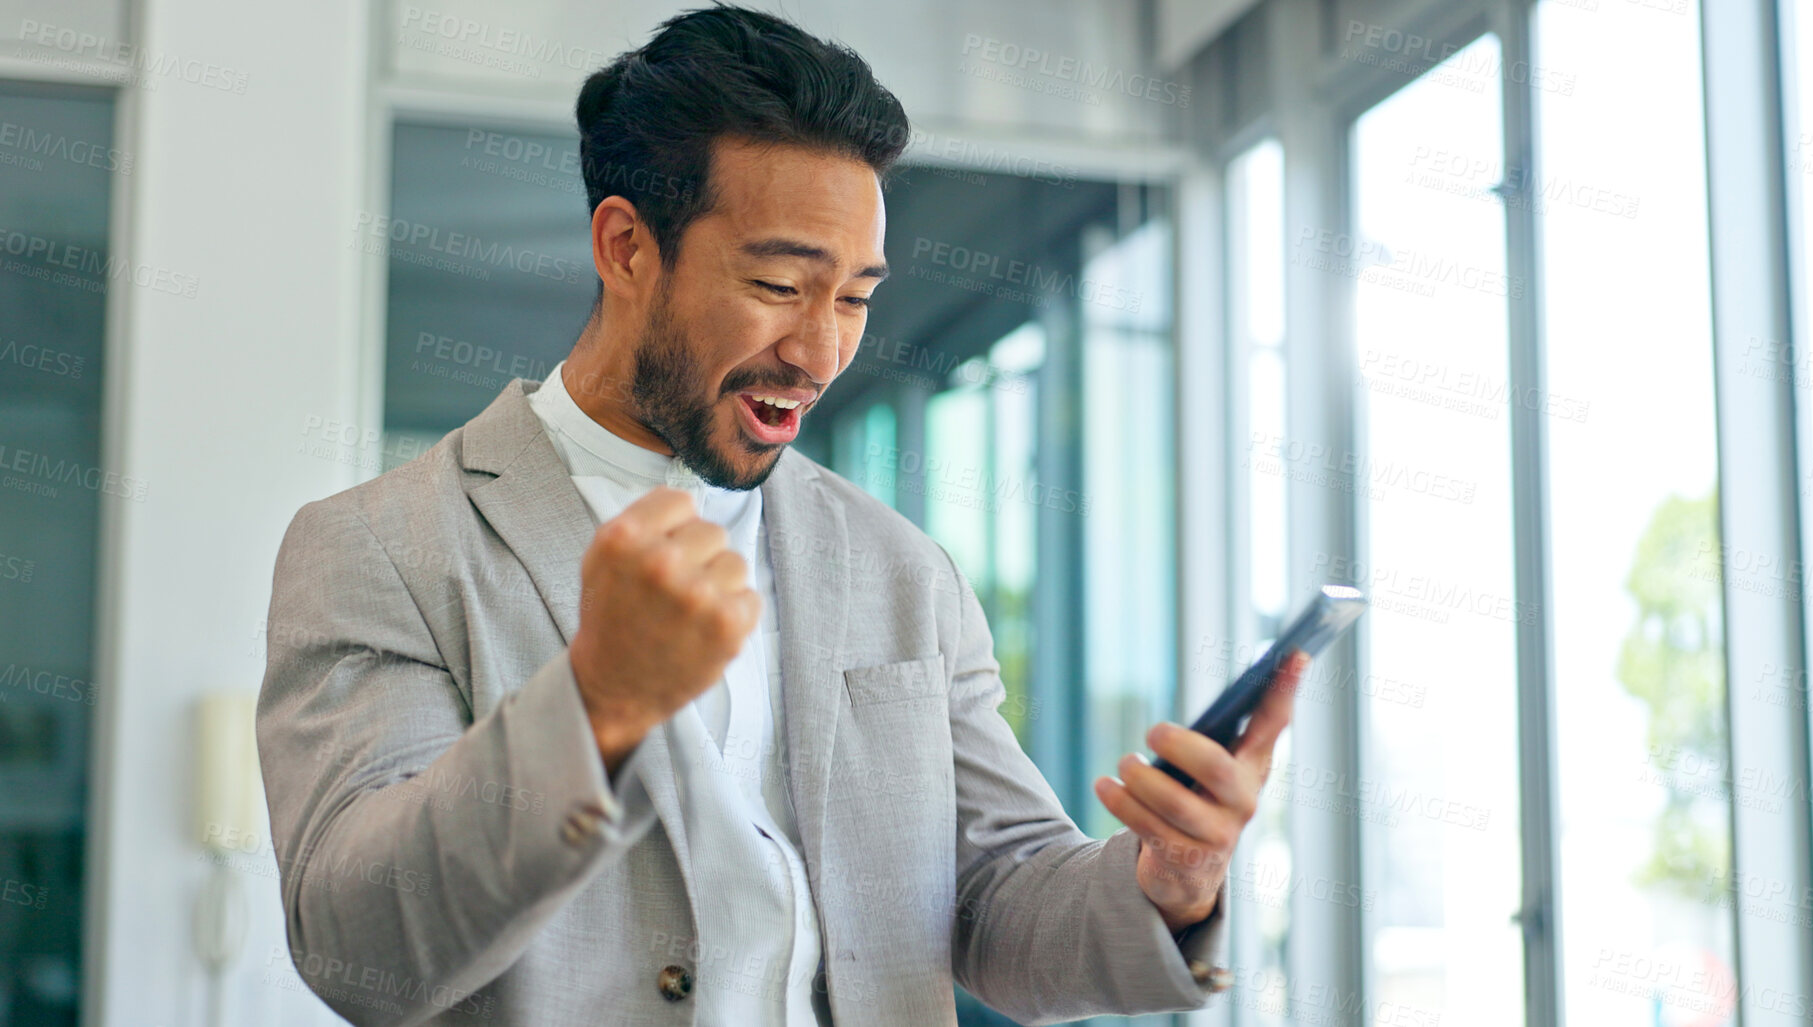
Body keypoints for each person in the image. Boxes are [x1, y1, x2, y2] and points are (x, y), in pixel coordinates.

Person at [256, 7, 1305, 1024]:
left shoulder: (901, 568)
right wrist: (595, 706)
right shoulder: (379, 548)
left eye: (853, 297)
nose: (819, 352)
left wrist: (1172, 883)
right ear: (626, 248)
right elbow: (361, 951)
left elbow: (999, 900)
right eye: (778, 283)